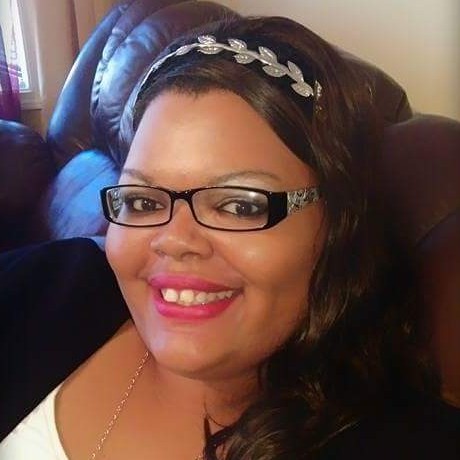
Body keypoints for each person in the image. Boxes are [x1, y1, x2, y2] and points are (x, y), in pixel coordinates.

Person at [1, 14, 459, 460]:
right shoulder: (49, 286)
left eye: (240, 205)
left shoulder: (406, 441)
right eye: (143, 201)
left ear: (338, 224)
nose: (174, 240)